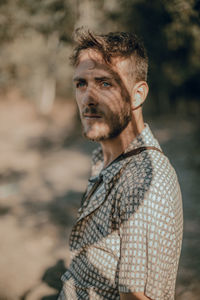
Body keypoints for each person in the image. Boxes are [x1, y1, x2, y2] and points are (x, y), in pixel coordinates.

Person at [58, 29, 183, 300]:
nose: (88, 99)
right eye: (81, 84)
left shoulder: (144, 184)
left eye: (105, 83)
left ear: (138, 95)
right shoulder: (103, 158)